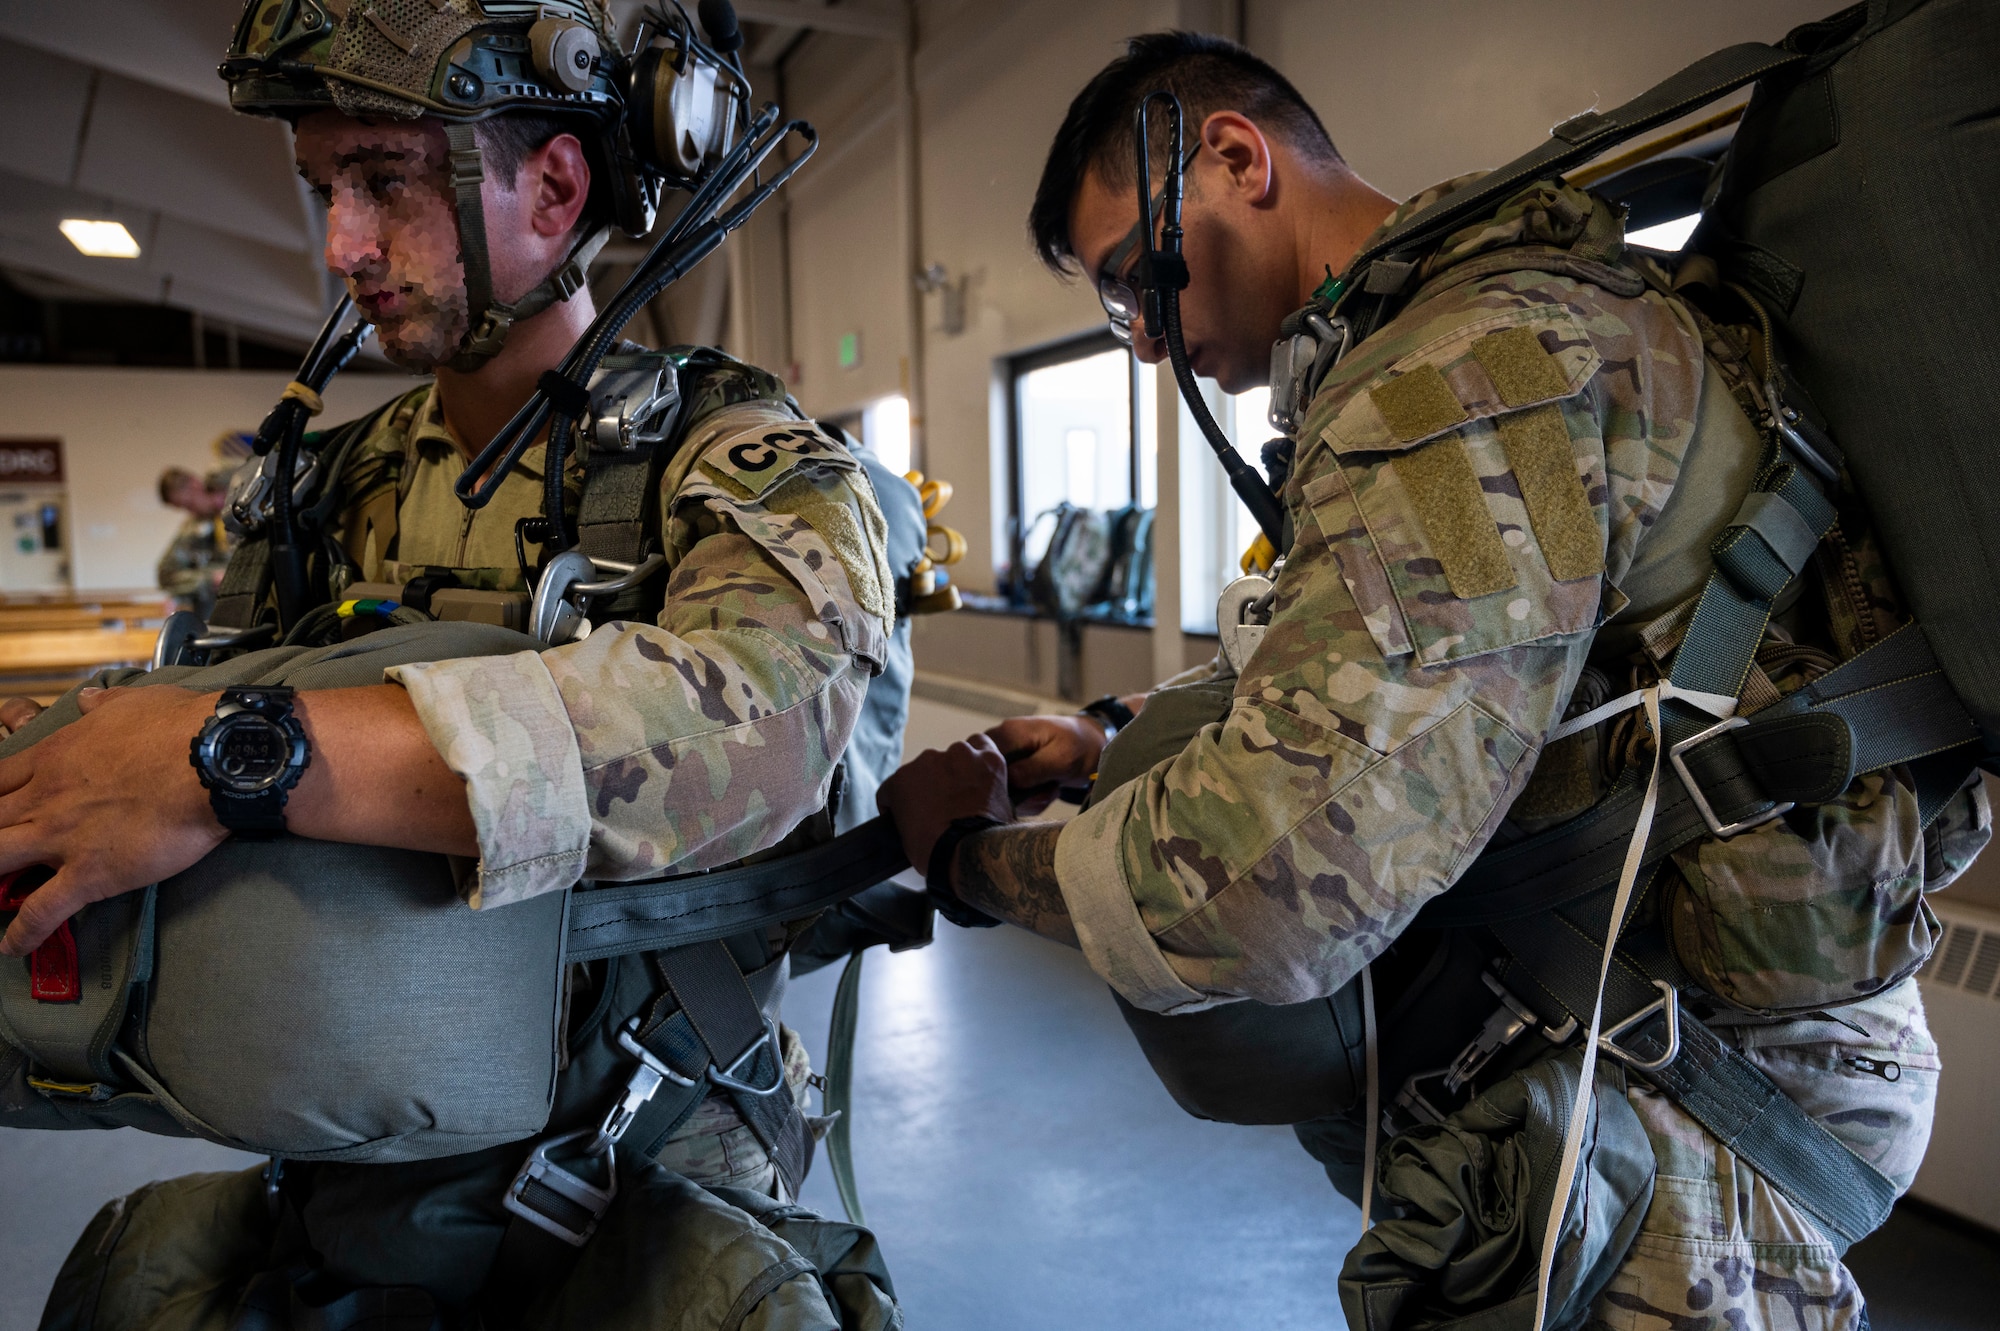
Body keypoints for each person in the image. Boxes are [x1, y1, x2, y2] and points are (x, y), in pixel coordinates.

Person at [880, 31, 1984, 1330]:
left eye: (1139, 281)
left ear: (1236, 158)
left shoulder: (1453, 382)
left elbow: (1269, 891)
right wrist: (1107, 726)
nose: (1143, 340)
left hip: (1695, 1095)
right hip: (1699, 1047)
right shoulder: (1503, 331)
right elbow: (1467, 647)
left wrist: (967, 860)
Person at [3, 1, 903, 1325]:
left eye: (385, 182)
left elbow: (759, 730)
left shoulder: (735, 466)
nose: (340, 245)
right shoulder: (327, 483)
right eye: (323, 189)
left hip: (647, 1140)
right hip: (367, 1146)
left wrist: (242, 760)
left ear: (552, 187)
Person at [154, 465, 231, 617]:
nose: (191, 511)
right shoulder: (194, 527)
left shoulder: (245, 504)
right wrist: (209, 579)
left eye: (189, 504)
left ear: (195, 483)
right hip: (218, 613)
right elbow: (167, 573)